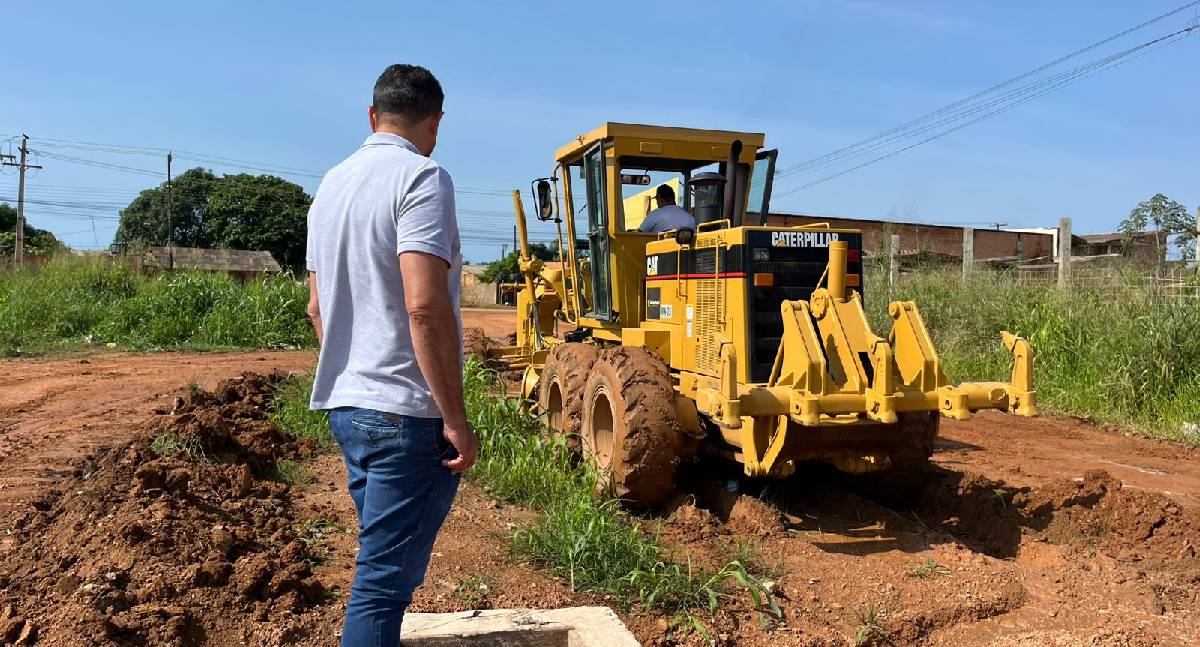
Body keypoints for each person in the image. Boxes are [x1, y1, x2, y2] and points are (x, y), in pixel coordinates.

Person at [304, 63, 479, 647]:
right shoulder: (422, 179)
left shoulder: (330, 187)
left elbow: (316, 309)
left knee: (377, 567)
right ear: (436, 121)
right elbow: (425, 306)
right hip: (405, 415)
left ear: (372, 114)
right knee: (380, 590)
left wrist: (355, 369)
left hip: (347, 406)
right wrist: (455, 419)